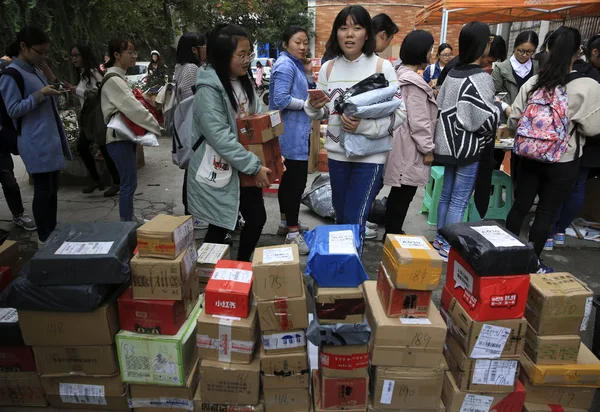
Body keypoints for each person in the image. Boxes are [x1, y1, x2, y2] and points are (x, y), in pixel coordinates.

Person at [304, 5, 406, 251]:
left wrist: (364, 127)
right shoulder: (329, 68)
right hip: (338, 155)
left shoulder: (383, 67)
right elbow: (324, 111)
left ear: (367, 34)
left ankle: (350, 275)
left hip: (371, 157)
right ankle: (341, 271)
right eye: (343, 28)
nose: (349, 34)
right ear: (336, 34)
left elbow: (400, 113)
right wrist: (314, 106)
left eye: (357, 28)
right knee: (340, 217)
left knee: (355, 218)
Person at [506, 27, 600, 272]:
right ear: (578, 52)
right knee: (547, 212)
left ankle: (504, 255)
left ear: (547, 49)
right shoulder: (588, 86)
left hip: (529, 156)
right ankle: (530, 263)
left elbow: (514, 121)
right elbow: (592, 129)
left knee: (520, 206)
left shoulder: (535, 82)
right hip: (564, 160)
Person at [187, 24, 271, 262]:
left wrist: (270, 152)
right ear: (223, 55)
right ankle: (205, 277)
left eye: (249, 54)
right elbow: (220, 137)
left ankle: (241, 265)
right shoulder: (208, 89)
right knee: (220, 223)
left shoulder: (243, 81)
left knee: (256, 218)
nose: (247, 60)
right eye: (241, 55)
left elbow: (257, 119)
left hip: (243, 163)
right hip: (220, 165)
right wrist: (254, 166)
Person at [433, 22, 501, 260]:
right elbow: (483, 119)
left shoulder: (452, 72)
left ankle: (440, 241)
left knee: (445, 196)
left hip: (446, 145)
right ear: (481, 45)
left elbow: (442, 106)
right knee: (459, 201)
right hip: (468, 147)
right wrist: (499, 109)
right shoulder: (480, 78)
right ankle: (448, 247)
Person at [0, 26, 73, 244]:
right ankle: (44, 238)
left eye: (45, 53)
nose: (42, 57)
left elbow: (52, 91)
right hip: (34, 140)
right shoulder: (11, 75)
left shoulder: (35, 70)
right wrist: (40, 94)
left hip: (49, 139)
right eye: (39, 52)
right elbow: (12, 109)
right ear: (23, 46)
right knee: (43, 190)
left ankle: (52, 232)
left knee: (52, 189)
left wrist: (47, 74)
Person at [101, 39, 161, 222]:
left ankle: (128, 219)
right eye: (130, 52)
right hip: (117, 138)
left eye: (134, 52)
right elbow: (132, 107)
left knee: (129, 182)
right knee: (128, 183)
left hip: (123, 137)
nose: (134, 56)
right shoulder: (113, 79)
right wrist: (156, 126)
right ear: (117, 55)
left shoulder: (118, 77)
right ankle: (126, 224)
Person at [384, 30, 437, 237]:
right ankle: (393, 233)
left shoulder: (399, 74)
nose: (431, 55)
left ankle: (391, 231)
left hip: (400, 141)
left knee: (399, 190)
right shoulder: (413, 83)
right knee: (404, 191)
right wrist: (428, 149)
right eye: (430, 50)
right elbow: (419, 122)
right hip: (410, 146)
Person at [269, 25, 315, 254]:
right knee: (294, 185)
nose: (303, 46)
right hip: (289, 136)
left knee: (289, 183)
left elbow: (308, 91)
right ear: (285, 44)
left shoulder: (296, 64)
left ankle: (285, 223)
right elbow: (280, 100)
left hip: (297, 133)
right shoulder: (285, 65)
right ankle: (293, 233)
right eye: (298, 42)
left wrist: (308, 73)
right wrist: (306, 105)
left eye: (305, 42)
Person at [68, 44, 120, 196]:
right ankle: (97, 179)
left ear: (84, 56)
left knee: (103, 148)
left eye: (77, 55)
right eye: (72, 56)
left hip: (97, 117)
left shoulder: (92, 72)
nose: (74, 59)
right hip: (89, 118)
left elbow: (98, 91)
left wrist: (75, 90)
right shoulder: (83, 73)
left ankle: (116, 182)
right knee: (83, 147)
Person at [174, 32, 208, 229]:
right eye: (203, 45)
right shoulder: (191, 68)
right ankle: (192, 213)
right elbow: (190, 100)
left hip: (185, 127)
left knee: (191, 169)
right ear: (194, 49)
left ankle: (191, 211)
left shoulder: (181, 67)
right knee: (193, 170)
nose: (206, 49)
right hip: (192, 127)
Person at [437, 35, 507, 88]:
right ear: (484, 51)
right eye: (489, 62)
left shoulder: (469, 65)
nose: (489, 65)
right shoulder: (458, 68)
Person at [492, 31, 539, 105]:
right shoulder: (501, 68)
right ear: (515, 47)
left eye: (529, 52)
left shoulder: (538, 67)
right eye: (520, 51)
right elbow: (493, 94)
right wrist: (505, 107)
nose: (524, 55)